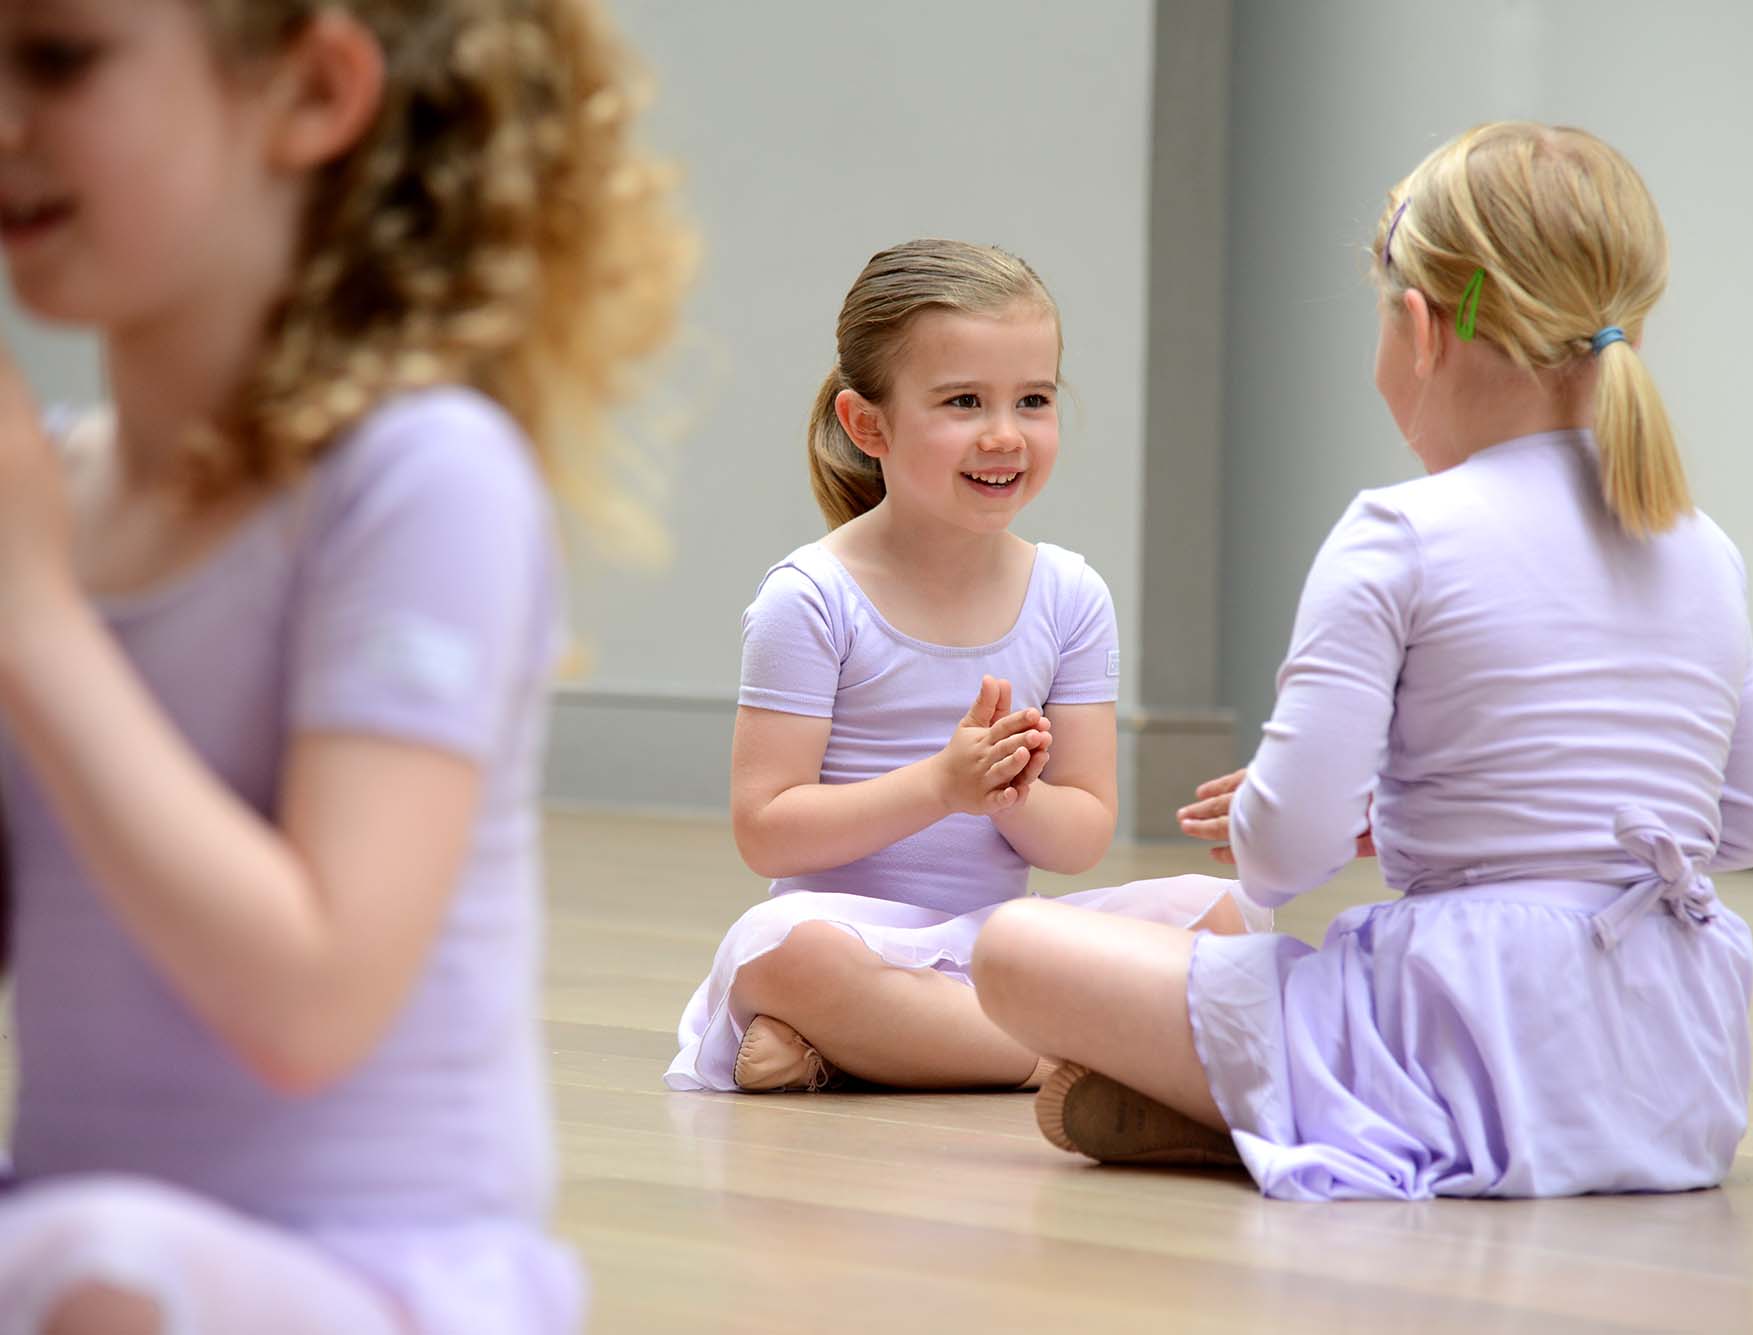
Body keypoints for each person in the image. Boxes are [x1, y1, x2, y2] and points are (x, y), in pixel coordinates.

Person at [0, 1, 684, 1328]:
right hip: (88, 1230)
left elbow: (309, 1001)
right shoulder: (55, 496)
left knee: (100, 1259)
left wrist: (29, 622)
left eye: (61, 58)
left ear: (311, 93)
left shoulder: (420, 477)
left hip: (376, 1274)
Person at [970, 122, 1753, 1201]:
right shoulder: (1702, 545)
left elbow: (1281, 857)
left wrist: (1311, 809)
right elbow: (1748, 825)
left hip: (1463, 1036)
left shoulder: (1397, 533)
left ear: (1419, 329)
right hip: (1671, 1075)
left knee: (1015, 949)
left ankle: (1302, 1120)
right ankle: (1283, 1118)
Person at [668, 239, 1264, 1095]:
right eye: (962, 401)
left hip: (1005, 942)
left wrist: (1016, 798)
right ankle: (1084, 1054)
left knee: (1226, 916)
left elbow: (1085, 833)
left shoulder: (1069, 594)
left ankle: (879, 1046)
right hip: (856, 937)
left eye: (1033, 399)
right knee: (780, 951)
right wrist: (939, 788)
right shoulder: (811, 597)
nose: (1004, 434)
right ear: (867, 423)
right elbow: (767, 826)